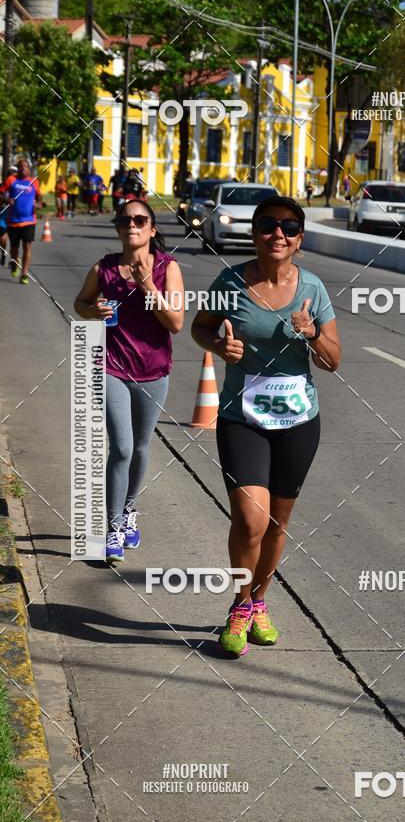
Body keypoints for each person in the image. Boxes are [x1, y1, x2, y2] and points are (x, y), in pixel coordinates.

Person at [191, 195, 341, 657]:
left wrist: (312, 332)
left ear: (299, 238)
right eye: (268, 226)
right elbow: (199, 327)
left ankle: (259, 601)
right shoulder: (230, 281)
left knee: (277, 525)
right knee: (250, 519)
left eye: (289, 227)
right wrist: (219, 347)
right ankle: (238, 606)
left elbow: (333, 361)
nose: (278, 234)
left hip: (299, 422)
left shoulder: (312, 289)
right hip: (242, 418)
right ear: (254, 233)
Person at [73, 199, 184, 563]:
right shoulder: (103, 269)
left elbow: (176, 323)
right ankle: (113, 526)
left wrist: (148, 285)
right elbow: (80, 304)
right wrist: (93, 311)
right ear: (119, 228)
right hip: (112, 368)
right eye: (125, 220)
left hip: (153, 372)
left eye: (140, 220)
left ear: (152, 229)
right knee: (120, 447)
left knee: (140, 447)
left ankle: (130, 506)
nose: (132, 225)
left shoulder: (169, 269)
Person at [3, 158, 42, 285]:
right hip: (13, 221)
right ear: (18, 168)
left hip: (29, 221)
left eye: (26, 166)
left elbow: (39, 197)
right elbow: (1, 193)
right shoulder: (11, 180)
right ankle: (15, 264)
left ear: (29, 169)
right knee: (14, 248)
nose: (23, 168)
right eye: (21, 166)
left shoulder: (34, 182)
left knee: (27, 246)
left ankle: (24, 274)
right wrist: (6, 200)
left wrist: (39, 203)